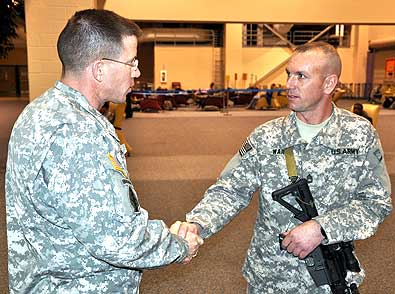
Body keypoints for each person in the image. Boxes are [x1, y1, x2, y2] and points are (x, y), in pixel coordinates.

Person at [5, 9, 203, 294]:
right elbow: (116, 238)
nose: (137, 71)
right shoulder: (77, 131)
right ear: (99, 69)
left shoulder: (42, 110)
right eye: (131, 62)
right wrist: (179, 245)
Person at [172, 42, 392, 293]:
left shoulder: (359, 135)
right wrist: (197, 224)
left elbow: (376, 202)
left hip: (331, 280)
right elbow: (229, 190)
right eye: (289, 74)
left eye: (301, 76)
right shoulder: (266, 137)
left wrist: (322, 228)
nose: (289, 84)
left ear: (329, 84)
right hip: (269, 278)